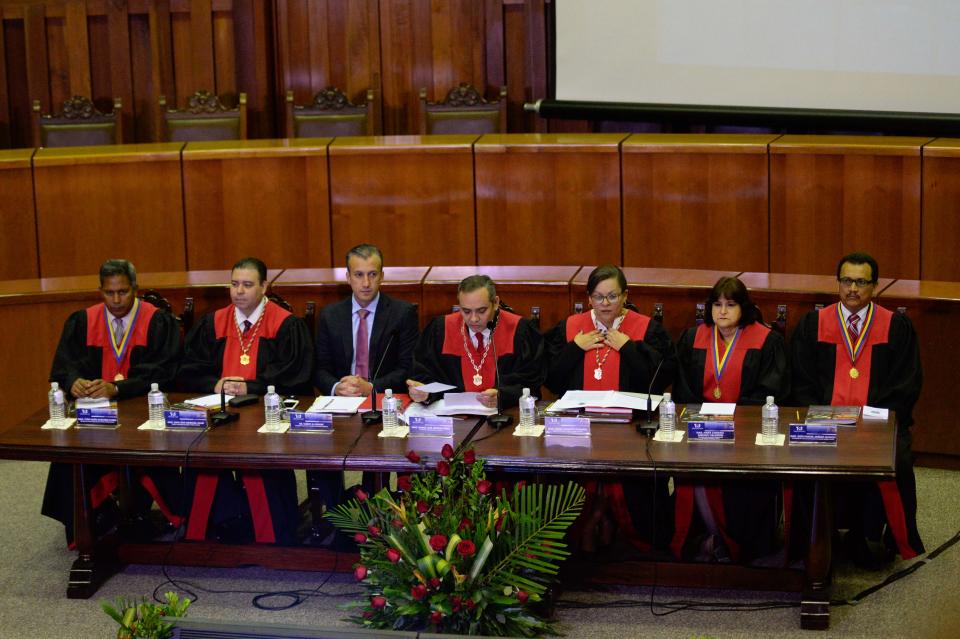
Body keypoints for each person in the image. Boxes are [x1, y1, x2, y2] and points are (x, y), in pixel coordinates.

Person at [792, 251, 923, 567]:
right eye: (847, 281)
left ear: (874, 287)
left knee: (897, 458)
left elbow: (906, 384)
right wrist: (824, 417)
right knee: (798, 455)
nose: (853, 288)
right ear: (838, 283)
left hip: (876, 425)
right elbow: (800, 380)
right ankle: (819, 535)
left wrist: (872, 421)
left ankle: (874, 537)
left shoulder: (896, 327)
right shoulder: (814, 324)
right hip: (823, 422)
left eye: (861, 282)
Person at [43, 259, 182, 544]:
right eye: (109, 293)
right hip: (94, 416)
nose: (116, 300)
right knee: (68, 456)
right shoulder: (82, 321)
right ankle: (94, 518)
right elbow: (62, 367)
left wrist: (117, 388)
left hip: (143, 413)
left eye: (123, 292)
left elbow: (167, 372)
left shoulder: (157, 321)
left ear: (135, 289)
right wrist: (74, 383)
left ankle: (146, 515)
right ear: (100, 291)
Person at [178, 257, 312, 545]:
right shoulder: (212, 322)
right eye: (234, 284)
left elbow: (296, 375)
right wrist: (215, 383)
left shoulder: (285, 324)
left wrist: (250, 386)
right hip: (217, 415)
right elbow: (187, 369)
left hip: (267, 417)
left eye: (248, 285)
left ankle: (272, 533)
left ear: (265, 286)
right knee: (199, 454)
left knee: (260, 461)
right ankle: (216, 529)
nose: (239, 291)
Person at [544, 264, 676, 552]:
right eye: (598, 297)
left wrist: (628, 347)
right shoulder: (570, 329)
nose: (605, 304)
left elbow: (657, 381)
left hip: (629, 431)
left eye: (612, 297)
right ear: (589, 298)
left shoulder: (645, 329)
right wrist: (575, 348)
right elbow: (551, 379)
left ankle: (631, 541)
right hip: (578, 430)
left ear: (625, 296)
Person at [671, 276, 789, 563]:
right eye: (717, 304)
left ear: (744, 308)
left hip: (745, 435)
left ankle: (740, 543)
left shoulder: (766, 340)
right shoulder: (692, 338)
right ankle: (700, 537)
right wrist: (705, 418)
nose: (722, 311)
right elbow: (683, 388)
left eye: (730, 304)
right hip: (700, 431)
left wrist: (729, 418)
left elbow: (772, 392)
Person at [310, 244, 418, 521]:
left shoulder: (402, 313)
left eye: (372, 274)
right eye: (359, 275)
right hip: (340, 402)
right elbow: (319, 368)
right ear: (347, 277)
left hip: (382, 402)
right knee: (315, 446)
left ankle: (381, 514)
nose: (366, 283)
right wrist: (336, 386)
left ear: (382, 276)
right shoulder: (331, 315)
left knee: (381, 450)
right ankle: (338, 516)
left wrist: (373, 386)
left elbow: (408, 368)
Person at [407, 274, 544, 409]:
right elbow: (424, 375)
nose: (473, 319)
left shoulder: (520, 330)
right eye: (466, 311)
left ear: (495, 303)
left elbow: (532, 381)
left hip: (505, 416)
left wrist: (504, 396)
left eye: (481, 311)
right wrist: (424, 393)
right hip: (454, 418)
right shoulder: (440, 330)